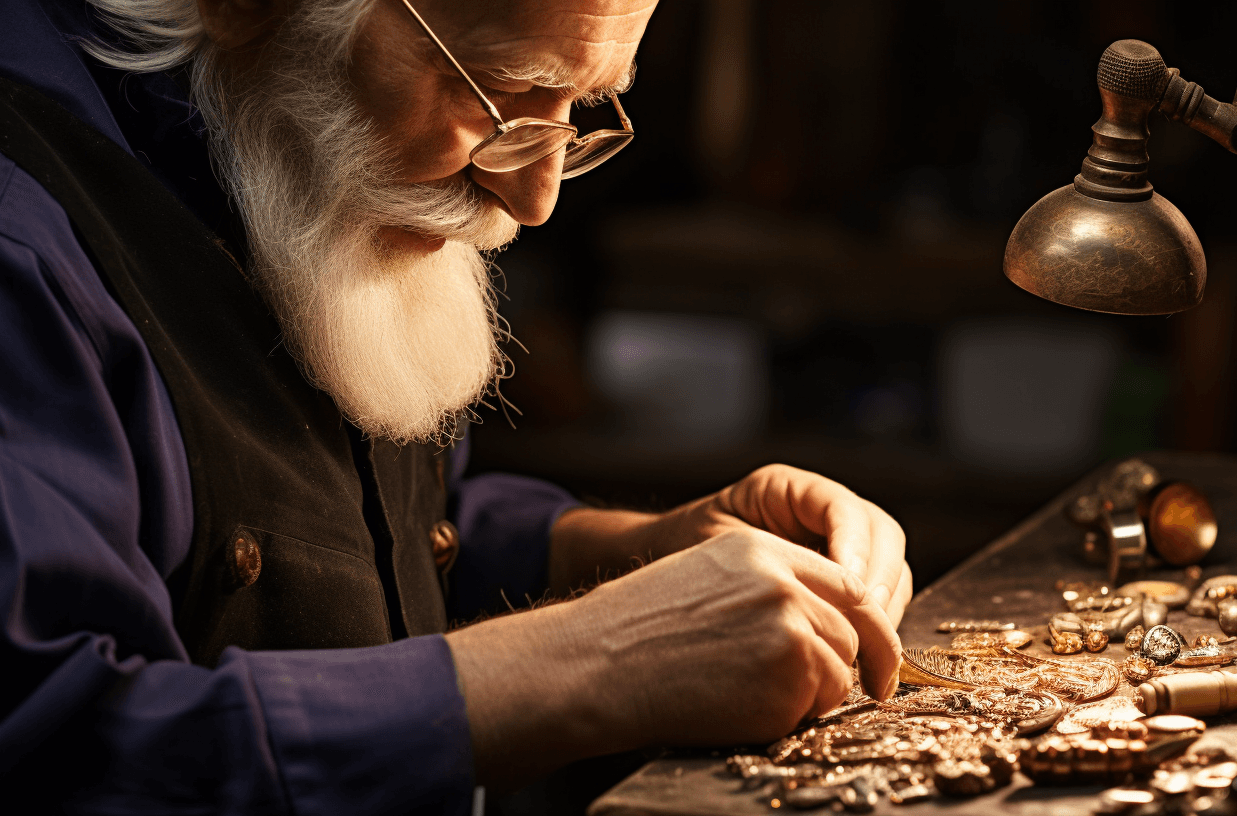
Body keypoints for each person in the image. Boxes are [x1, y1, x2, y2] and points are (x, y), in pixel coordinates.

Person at [0, 0, 913, 811]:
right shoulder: (26, 235)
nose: (536, 195)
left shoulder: (285, 141)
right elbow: (61, 750)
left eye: (582, 105)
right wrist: (601, 659)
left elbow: (388, 536)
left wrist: (646, 555)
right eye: (500, 94)